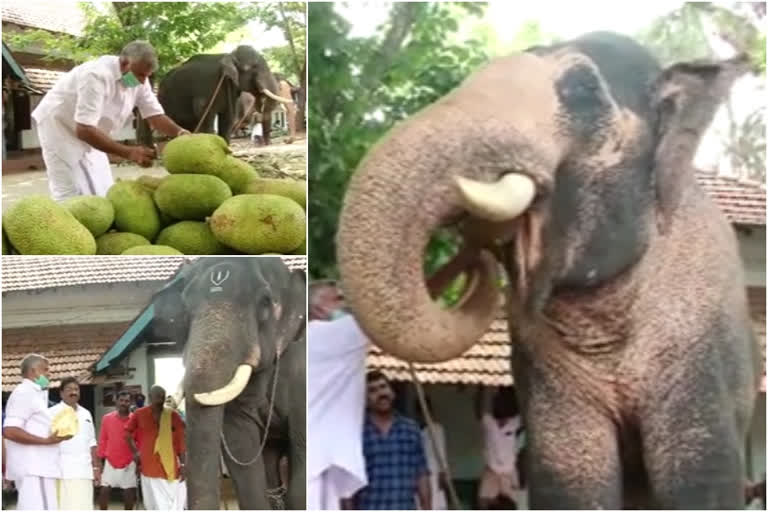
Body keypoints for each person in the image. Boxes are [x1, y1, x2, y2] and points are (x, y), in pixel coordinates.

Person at [30, 40, 190, 201]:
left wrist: (180, 132)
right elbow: (84, 130)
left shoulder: (138, 80)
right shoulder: (95, 75)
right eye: (140, 75)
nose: (143, 81)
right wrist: (129, 152)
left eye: (147, 76)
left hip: (93, 131)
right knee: (70, 190)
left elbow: (154, 115)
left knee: (103, 188)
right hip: (60, 127)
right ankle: (64, 221)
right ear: (125, 63)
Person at [307, 280, 369, 510]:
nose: (346, 305)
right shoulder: (331, 335)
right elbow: (390, 314)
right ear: (319, 308)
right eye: (338, 299)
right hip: (314, 457)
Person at [2, 354, 72, 509]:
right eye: (45, 370)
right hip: (35, 468)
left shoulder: (34, 393)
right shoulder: (24, 392)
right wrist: (47, 441)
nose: (49, 374)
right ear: (34, 371)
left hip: (39, 467)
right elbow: (10, 431)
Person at [354, 371, 431, 510]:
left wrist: (427, 508)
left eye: (383, 387)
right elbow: (349, 482)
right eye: (372, 390)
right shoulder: (357, 433)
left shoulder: (411, 430)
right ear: (365, 398)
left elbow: (421, 474)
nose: (380, 393)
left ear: (392, 392)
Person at [125, 385, 186, 510]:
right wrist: (135, 452)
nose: (160, 400)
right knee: (153, 505)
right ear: (150, 397)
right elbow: (127, 434)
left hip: (170, 469)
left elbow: (181, 442)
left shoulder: (173, 415)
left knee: (171, 505)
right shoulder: (139, 414)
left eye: (162, 397)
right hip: (149, 467)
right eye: (157, 397)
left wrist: (184, 465)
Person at [48, 377, 99, 510]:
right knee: (64, 506)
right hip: (62, 470)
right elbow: (47, 441)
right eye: (69, 389)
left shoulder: (86, 413)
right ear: (61, 393)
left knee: (84, 505)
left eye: (76, 389)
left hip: (84, 471)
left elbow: (92, 442)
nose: (73, 392)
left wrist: (96, 468)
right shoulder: (52, 413)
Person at [475, 387, 522, 509]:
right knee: (483, 504)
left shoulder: (515, 422)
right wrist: (485, 389)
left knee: (511, 505)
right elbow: (482, 409)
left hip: (509, 473)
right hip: (492, 471)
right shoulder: (489, 423)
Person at [97, 390, 137, 510]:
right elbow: (103, 439)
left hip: (129, 462)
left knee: (128, 494)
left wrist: (139, 460)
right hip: (110, 461)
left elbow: (139, 440)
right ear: (116, 401)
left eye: (127, 401)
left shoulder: (135, 419)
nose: (124, 403)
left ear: (131, 403)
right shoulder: (107, 418)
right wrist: (100, 461)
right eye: (121, 400)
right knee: (104, 492)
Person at [414, 397, 448, 510]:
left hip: (434, 471)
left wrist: (443, 473)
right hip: (418, 473)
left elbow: (441, 452)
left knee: (436, 502)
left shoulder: (437, 429)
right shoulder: (414, 429)